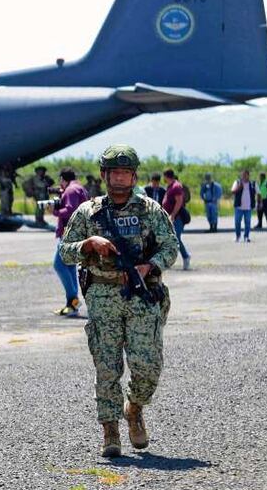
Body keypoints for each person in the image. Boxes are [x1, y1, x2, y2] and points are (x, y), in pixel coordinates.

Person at [59, 144, 178, 458]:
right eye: (115, 173)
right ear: (104, 175)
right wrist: (88, 243)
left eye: (126, 173)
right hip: (102, 296)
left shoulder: (150, 210)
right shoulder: (88, 212)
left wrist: (150, 266)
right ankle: (110, 430)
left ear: (134, 175)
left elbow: (170, 248)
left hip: (141, 294)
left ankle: (134, 408)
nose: (121, 179)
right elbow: (65, 251)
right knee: (107, 367)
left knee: (148, 366)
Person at [52, 168, 89, 316]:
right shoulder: (80, 188)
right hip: (77, 233)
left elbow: (70, 210)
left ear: (63, 178)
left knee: (58, 265)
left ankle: (72, 298)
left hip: (69, 234)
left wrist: (54, 211)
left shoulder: (71, 190)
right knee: (70, 267)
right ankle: (73, 306)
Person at [162, 169, 190, 270]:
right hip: (170, 217)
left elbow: (179, 201)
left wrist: (173, 215)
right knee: (170, 239)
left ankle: (186, 257)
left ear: (166, 176)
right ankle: (168, 261)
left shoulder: (176, 186)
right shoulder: (170, 186)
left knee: (176, 238)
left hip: (177, 218)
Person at [231, 169, 256, 242]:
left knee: (247, 223)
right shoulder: (237, 182)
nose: (244, 176)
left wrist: (259, 202)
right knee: (237, 222)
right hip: (239, 207)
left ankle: (246, 236)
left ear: (248, 175)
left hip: (248, 207)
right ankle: (238, 236)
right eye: (242, 175)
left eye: (245, 175)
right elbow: (232, 191)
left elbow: (258, 193)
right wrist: (239, 187)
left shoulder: (253, 183)